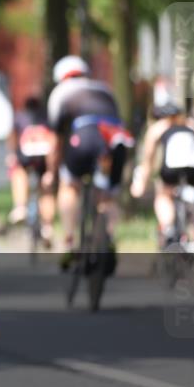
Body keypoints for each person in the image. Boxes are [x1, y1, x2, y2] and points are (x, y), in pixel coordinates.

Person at [46, 55, 132, 266]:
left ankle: (69, 241)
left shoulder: (60, 92)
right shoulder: (105, 89)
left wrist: (51, 170)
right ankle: (108, 237)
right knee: (107, 196)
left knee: (70, 186)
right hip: (112, 140)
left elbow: (56, 138)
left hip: (85, 138)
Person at [130, 100, 194, 251]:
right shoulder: (191, 124)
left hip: (171, 168)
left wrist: (141, 183)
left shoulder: (158, 127)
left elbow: (148, 160)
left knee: (163, 195)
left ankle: (168, 228)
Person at [6, 95, 56, 246]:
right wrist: (51, 170)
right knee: (46, 189)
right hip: (45, 156)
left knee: (18, 171)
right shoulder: (48, 118)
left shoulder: (20, 116)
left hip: (26, 154)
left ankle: (20, 207)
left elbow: (12, 137)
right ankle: (48, 227)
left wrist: (12, 155)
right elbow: (53, 140)